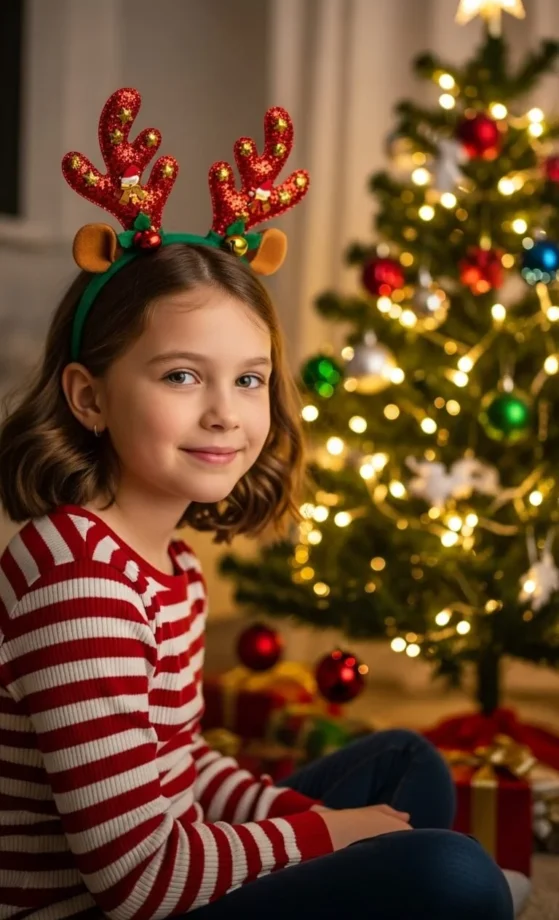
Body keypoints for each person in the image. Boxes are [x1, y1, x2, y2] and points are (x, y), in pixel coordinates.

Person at [0, 89, 514, 920]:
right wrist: (333, 840)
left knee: (404, 764)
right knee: (453, 877)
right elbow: (139, 881)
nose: (225, 414)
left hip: (163, 874)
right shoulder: (78, 582)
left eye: (248, 379)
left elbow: (182, 769)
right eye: (180, 375)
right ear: (88, 398)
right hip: (107, 910)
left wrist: (327, 824)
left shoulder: (167, 565)